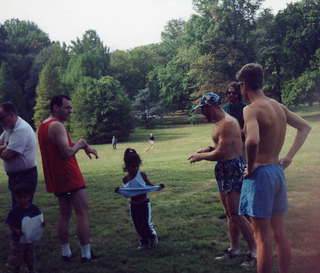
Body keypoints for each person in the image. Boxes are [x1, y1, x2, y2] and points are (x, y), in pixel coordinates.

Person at [236, 63, 311, 273]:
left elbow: (252, 142)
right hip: (277, 172)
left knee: (262, 239)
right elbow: (305, 127)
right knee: (280, 233)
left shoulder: (250, 109)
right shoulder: (277, 106)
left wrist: (250, 167)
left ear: (243, 85)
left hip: (260, 175)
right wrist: (288, 157)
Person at [188, 93, 256, 267]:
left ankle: (255, 252)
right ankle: (234, 249)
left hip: (232, 169)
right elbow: (223, 147)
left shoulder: (227, 123)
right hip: (224, 169)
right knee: (230, 213)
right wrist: (209, 148)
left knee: (238, 214)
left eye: (203, 109)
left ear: (210, 107)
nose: (202, 113)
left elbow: (223, 153)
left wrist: (201, 155)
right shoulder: (218, 123)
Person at [37, 95, 98, 262]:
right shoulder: (57, 126)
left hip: (56, 177)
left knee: (64, 215)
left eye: (70, 107)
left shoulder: (43, 126)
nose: (70, 111)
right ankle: (86, 254)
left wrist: (84, 145)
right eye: (67, 107)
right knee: (82, 212)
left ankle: (66, 253)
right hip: (69, 175)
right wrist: (80, 143)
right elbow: (66, 153)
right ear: (55, 107)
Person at [115, 148, 164, 249]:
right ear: (127, 166)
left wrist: (158, 187)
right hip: (134, 205)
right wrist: (119, 190)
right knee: (137, 224)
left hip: (144, 204)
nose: (135, 168)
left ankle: (153, 237)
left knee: (146, 223)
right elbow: (127, 192)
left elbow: (149, 185)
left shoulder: (141, 175)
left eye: (137, 166)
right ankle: (144, 241)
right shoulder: (125, 179)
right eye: (132, 166)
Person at [0, 102, 37, 207]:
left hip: (24, 176)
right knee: (18, 208)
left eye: (2, 117)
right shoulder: (9, 129)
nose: (0, 121)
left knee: (22, 209)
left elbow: (8, 155)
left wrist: (4, 148)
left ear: (11, 114)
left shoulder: (21, 129)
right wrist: (4, 147)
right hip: (16, 176)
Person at [6, 183, 44, 273]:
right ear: (15, 197)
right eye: (19, 197)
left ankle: (32, 269)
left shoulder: (34, 209)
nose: (22, 200)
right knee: (16, 257)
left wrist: (41, 225)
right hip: (18, 240)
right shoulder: (14, 211)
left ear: (29, 197)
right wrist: (16, 230)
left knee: (30, 257)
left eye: (25, 197)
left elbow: (39, 219)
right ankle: (16, 269)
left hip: (29, 239)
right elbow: (10, 224)